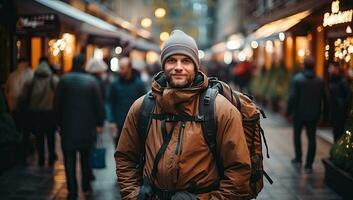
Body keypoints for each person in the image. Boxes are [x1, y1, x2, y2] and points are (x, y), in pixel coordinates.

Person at [115, 30, 251, 199]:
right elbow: (125, 158)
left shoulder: (221, 110)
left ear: (196, 66)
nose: (178, 67)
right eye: (172, 60)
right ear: (163, 65)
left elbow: (238, 171)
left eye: (186, 61)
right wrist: (133, 196)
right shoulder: (142, 107)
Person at [54, 54, 105, 200]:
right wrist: (100, 123)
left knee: (69, 159)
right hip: (87, 127)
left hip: (68, 127)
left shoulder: (63, 80)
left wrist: (58, 123)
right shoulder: (91, 81)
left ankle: (72, 191)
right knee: (85, 157)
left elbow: (56, 105)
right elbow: (99, 105)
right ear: (84, 64)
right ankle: (86, 186)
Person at [287, 57, 328, 174]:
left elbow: (292, 97)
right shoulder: (320, 80)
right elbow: (326, 99)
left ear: (303, 65)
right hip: (314, 114)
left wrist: (289, 112)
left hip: (299, 114)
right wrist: (325, 116)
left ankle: (298, 158)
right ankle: (309, 164)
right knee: (312, 138)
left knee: (297, 136)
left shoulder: (297, 79)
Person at [108, 57, 146, 146]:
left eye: (122, 68)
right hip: (119, 124)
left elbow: (145, 104)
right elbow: (110, 102)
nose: (119, 70)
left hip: (135, 125)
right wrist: (112, 121)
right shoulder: (115, 84)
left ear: (129, 68)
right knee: (119, 152)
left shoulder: (139, 84)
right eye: (119, 67)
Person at [27, 60, 59, 166]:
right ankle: (50, 158)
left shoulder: (32, 80)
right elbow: (59, 93)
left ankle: (41, 159)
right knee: (50, 137)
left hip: (36, 113)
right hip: (49, 113)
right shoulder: (53, 79)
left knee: (39, 137)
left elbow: (25, 95)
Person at [4, 58, 34, 164]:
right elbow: (8, 89)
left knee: (24, 130)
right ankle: (21, 153)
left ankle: (23, 153)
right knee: (20, 129)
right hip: (16, 107)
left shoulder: (30, 74)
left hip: (24, 107)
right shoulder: (14, 75)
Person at [328, 62, 352, 142]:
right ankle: (335, 151)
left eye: (331, 68)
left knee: (339, 133)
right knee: (335, 133)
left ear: (336, 69)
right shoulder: (332, 79)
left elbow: (348, 96)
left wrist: (341, 104)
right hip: (334, 110)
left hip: (340, 112)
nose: (329, 70)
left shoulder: (343, 81)